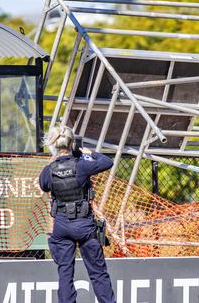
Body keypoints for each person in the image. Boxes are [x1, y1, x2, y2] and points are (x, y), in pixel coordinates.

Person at [39, 126, 115, 303]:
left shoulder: (48, 171)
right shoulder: (81, 165)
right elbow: (107, 162)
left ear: (53, 145)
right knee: (97, 273)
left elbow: (43, 185)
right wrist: (90, 153)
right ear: (72, 143)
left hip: (62, 226)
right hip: (84, 226)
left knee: (65, 273)